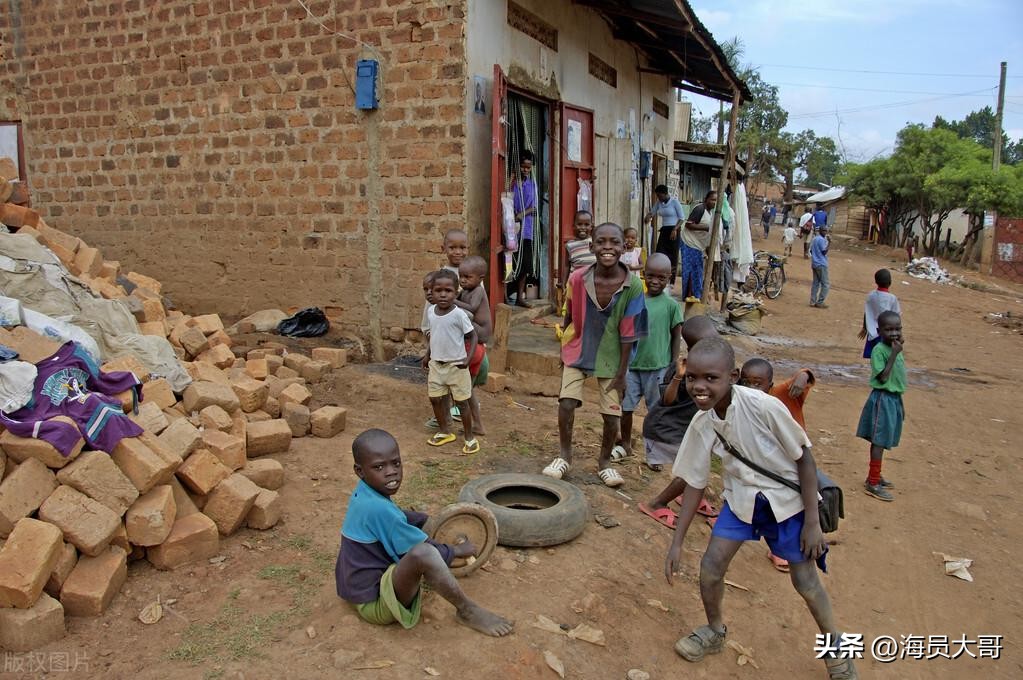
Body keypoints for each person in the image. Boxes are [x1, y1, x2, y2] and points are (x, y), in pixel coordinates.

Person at [664, 338, 856, 680]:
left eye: (711, 378)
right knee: (710, 568)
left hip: (786, 504)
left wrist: (812, 522)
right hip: (741, 503)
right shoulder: (702, 422)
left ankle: (837, 650)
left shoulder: (763, 407)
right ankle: (714, 631)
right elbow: (694, 482)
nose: (699, 387)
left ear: (732, 376)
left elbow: (804, 459)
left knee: (806, 582)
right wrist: (677, 541)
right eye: (692, 377)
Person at [335, 429, 513, 636]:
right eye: (379, 467)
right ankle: (467, 610)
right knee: (424, 554)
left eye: (396, 463)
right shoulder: (379, 509)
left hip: (355, 588)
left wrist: (427, 519)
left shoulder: (364, 494)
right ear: (360, 470)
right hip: (373, 604)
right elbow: (419, 548)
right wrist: (456, 550)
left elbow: (397, 516)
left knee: (414, 523)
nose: (391, 471)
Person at [542, 222, 647, 488]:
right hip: (579, 348)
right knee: (566, 403)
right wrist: (564, 347)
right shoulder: (578, 278)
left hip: (612, 357)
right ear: (591, 247)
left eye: (614, 242)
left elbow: (629, 333)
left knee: (612, 415)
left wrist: (622, 374)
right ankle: (564, 456)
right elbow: (569, 309)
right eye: (601, 242)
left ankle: (604, 463)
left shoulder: (633, 286)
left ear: (624, 247)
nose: (608, 248)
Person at [636, 315, 720, 528]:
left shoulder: (716, 365)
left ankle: (690, 496)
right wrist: (679, 377)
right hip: (666, 428)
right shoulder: (682, 367)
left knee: (703, 458)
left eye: (715, 339)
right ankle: (657, 503)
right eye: (706, 343)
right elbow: (666, 400)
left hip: (690, 428)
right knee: (693, 469)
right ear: (692, 347)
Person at [738, 358, 816, 573]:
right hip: (762, 467)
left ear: (770, 386)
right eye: (747, 382)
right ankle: (776, 548)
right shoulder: (739, 404)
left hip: (791, 463)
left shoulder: (777, 396)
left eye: (758, 383)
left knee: (790, 506)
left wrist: (802, 376)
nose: (752, 388)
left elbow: (804, 376)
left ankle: (784, 549)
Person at [613, 253, 681, 461]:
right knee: (625, 409)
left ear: (669, 278)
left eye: (661, 278)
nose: (655, 281)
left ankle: (655, 453)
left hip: (658, 368)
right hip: (632, 367)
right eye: (651, 276)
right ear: (643, 274)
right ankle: (625, 443)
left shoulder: (671, 305)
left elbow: (676, 335)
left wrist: (673, 365)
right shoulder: (635, 301)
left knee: (655, 413)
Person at [422, 270, 479, 454]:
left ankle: (469, 437)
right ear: (432, 291)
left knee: (462, 402)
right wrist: (427, 355)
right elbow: (435, 336)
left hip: (456, 365)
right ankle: (445, 431)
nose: (443, 294)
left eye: (448, 290)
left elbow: (473, 336)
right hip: (436, 365)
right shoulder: (431, 312)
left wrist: (467, 360)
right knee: (435, 399)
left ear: (456, 292)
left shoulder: (459, 315)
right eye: (438, 290)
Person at [856, 311, 905, 502]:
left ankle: (874, 475)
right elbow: (883, 377)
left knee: (884, 439)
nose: (894, 333)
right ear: (878, 331)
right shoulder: (880, 350)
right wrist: (893, 354)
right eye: (889, 329)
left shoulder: (895, 346)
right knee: (879, 440)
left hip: (893, 399)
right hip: (882, 398)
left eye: (897, 329)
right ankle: (873, 481)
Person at [454, 256, 492, 436]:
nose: (462, 280)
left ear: (480, 278)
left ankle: (473, 425)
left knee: (465, 390)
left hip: (480, 333)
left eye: (467, 277)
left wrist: (452, 300)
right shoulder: (464, 290)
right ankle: (477, 425)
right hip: (474, 340)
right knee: (467, 391)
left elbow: (470, 309)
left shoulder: (478, 291)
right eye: (461, 276)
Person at [510, 150, 539, 307]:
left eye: (528, 167)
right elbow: (505, 198)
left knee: (525, 264)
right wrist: (510, 179)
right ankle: (505, 295)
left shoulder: (532, 184)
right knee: (509, 262)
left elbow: (534, 208)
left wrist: (521, 214)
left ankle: (520, 298)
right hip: (510, 228)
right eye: (523, 167)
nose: (525, 170)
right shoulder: (512, 183)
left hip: (526, 229)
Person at [646, 184, 686, 285]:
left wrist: (675, 229)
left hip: (674, 230)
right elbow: (652, 212)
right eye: (658, 196)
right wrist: (648, 216)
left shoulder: (674, 202)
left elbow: (682, 218)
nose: (659, 198)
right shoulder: (659, 203)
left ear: (665, 194)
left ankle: (671, 281)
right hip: (664, 230)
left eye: (660, 196)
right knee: (660, 253)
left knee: (673, 255)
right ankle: (660, 276)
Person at [680, 191, 716, 301]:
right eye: (712, 199)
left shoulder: (711, 213)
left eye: (716, 200)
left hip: (698, 245)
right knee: (690, 270)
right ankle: (689, 295)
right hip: (689, 242)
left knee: (697, 271)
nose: (714, 202)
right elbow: (689, 224)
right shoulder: (700, 209)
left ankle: (695, 295)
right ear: (706, 199)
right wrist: (706, 228)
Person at [858, 269, 901, 359]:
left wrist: (865, 327)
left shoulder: (871, 295)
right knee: (885, 356)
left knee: (874, 355)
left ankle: (876, 370)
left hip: (872, 331)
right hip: (886, 333)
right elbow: (897, 317)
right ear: (890, 282)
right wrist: (898, 334)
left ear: (876, 282)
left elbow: (867, 312)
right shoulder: (892, 299)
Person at [559, 210, 596, 289]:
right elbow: (566, 266)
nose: (583, 228)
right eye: (579, 224)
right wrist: (564, 282)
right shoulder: (570, 245)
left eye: (586, 225)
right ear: (573, 226)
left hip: (593, 282)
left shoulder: (595, 242)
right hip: (575, 283)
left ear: (591, 227)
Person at [809, 225, 830, 308]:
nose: (825, 232)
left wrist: (815, 256)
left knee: (815, 283)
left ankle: (812, 301)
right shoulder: (822, 240)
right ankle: (820, 302)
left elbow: (810, 250)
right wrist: (829, 243)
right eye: (824, 231)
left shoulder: (815, 239)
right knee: (826, 284)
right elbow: (824, 252)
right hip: (821, 264)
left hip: (814, 263)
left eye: (826, 231)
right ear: (820, 231)